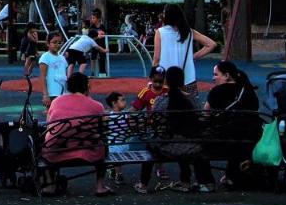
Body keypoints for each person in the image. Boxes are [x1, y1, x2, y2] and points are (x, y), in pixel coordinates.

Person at [134, 66, 215, 194]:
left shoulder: (161, 101)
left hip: (169, 146)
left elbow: (156, 124)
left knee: (151, 145)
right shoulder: (192, 99)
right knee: (185, 141)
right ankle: (189, 182)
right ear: (182, 81)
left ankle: (143, 184)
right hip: (192, 144)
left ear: (166, 81)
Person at [42, 73, 113, 196]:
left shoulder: (56, 102)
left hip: (56, 151)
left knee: (48, 141)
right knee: (102, 142)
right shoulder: (97, 106)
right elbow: (102, 129)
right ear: (86, 87)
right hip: (87, 151)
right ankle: (100, 186)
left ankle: (50, 184)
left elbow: (49, 125)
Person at [205, 60, 262, 189]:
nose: (213, 78)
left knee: (202, 144)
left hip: (224, 139)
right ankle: (233, 175)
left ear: (226, 75)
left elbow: (205, 113)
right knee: (237, 137)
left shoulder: (217, 91)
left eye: (216, 74)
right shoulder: (247, 90)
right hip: (251, 136)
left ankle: (207, 180)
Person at [153, 4, 217, 97]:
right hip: (188, 77)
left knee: (165, 106)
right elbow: (211, 44)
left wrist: (153, 74)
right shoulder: (189, 32)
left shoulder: (160, 32)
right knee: (190, 106)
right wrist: (193, 56)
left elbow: (157, 58)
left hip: (166, 78)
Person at [104, 91, 129, 185]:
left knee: (117, 154)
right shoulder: (110, 116)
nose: (125, 102)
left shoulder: (109, 116)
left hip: (122, 143)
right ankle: (119, 174)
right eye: (122, 100)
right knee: (116, 153)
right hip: (115, 143)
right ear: (114, 103)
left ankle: (112, 168)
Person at [38, 33, 69, 107]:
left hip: (62, 93)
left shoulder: (62, 58)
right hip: (52, 93)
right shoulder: (45, 57)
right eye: (54, 42)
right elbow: (43, 77)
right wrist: (45, 94)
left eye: (59, 42)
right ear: (48, 43)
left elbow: (65, 75)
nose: (57, 45)